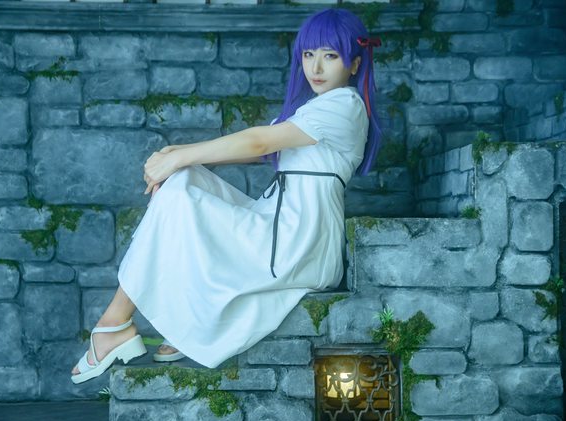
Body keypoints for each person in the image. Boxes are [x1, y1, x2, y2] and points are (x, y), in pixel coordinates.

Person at [71, 7, 382, 384]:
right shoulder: (315, 108)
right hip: (282, 226)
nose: (315, 67)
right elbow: (259, 151)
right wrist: (179, 154)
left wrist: (178, 157)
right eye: (308, 54)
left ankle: (115, 323)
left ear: (354, 63)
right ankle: (143, 323)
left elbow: (259, 141)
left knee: (179, 189)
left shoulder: (344, 105)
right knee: (183, 181)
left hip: (299, 241)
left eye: (330, 56)